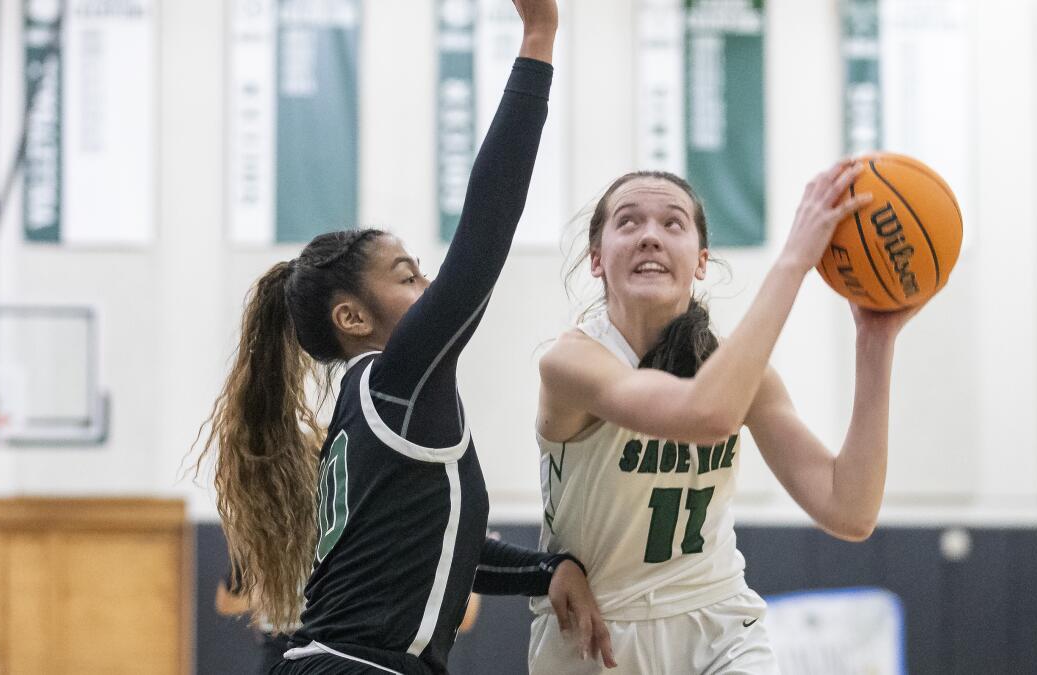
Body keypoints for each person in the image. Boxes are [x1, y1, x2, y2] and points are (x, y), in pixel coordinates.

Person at [194, 2, 614, 672]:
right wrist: (539, 38)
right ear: (352, 317)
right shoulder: (395, 381)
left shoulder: (371, 411)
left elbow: (452, 551)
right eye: (408, 276)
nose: (429, 290)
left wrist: (548, 569)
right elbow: (483, 236)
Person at [529, 164, 918, 673]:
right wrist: (794, 261)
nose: (650, 236)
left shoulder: (738, 369)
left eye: (673, 224)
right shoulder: (570, 363)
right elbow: (706, 414)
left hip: (718, 622)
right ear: (597, 260)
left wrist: (875, 341)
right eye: (629, 222)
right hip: (597, 629)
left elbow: (849, 510)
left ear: (701, 261)